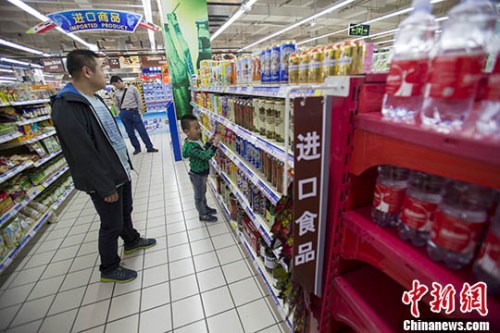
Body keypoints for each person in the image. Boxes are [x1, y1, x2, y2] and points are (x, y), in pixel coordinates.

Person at [51, 49, 156, 283]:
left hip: (118, 168)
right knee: (110, 224)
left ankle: (131, 241)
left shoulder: (94, 97)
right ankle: (109, 267)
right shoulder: (67, 105)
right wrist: (104, 186)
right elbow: (82, 153)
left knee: (125, 210)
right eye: (102, 68)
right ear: (87, 71)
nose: (105, 73)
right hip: (104, 178)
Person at [181, 114, 220, 222]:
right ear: (187, 131)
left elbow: (202, 151)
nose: (199, 130)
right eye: (196, 128)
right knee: (199, 196)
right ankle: (202, 215)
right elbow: (206, 156)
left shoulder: (192, 142)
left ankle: (205, 208)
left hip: (201, 174)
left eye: (199, 127)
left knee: (203, 192)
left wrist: (209, 142)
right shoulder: (191, 147)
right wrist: (215, 145)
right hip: (197, 175)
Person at [110, 75, 158, 155]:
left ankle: (149, 147)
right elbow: (115, 104)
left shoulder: (132, 88)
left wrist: (139, 111)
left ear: (119, 81)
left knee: (142, 131)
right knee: (130, 133)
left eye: (115, 84)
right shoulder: (116, 92)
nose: (115, 86)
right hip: (124, 114)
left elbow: (139, 100)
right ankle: (137, 148)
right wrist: (119, 113)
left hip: (134, 112)